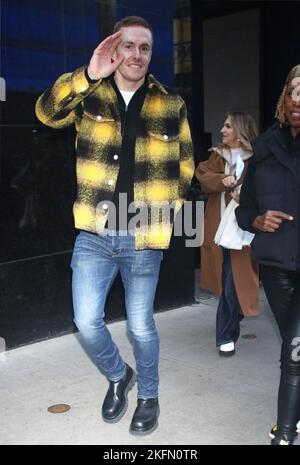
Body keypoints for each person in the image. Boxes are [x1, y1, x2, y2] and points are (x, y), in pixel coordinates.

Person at [35, 16, 194, 435]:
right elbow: (47, 113)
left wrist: (166, 217)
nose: (136, 55)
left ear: (150, 54)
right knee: (86, 321)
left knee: (141, 325)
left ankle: (148, 396)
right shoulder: (91, 96)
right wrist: (88, 74)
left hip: (143, 229)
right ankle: (118, 375)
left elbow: (185, 168)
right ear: (114, 49)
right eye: (129, 46)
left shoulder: (170, 103)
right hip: (95, 230)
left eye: (144, 47)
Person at [236, 65, 300, 445]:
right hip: (276, 266)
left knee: (294, 351)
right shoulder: (263, 146)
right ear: (284, 97)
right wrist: (258, 219)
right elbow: (245, 210)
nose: (299, 99)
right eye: (295, 90)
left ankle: (285, 433)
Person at [195, 112, 260, 356]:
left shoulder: (258, 158)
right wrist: (224, 180)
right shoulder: (216, 155)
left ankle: (226, 333)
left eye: (228, 126)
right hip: (218, 227)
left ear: (241, 130)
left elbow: (265, 186)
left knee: (234, 281)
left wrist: (246, 195)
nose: (222, 130)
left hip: (243, 229)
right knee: (226, 282)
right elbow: (202, 176)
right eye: (223, 125)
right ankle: (229, 326)